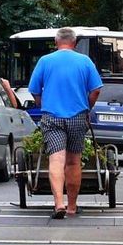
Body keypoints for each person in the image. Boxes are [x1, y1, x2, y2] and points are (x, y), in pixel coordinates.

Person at [28, 27, 102, 219]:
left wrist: (42, 103)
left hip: (52, 116)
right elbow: (96, 90)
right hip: (78, 116)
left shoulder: (45, 61)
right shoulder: (85, 62)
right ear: (75, 43)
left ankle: (58, 204)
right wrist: (88, 107)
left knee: (56, 160)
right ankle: (71, 207)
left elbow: (34, 89)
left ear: (55, 41)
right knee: (73, 161)